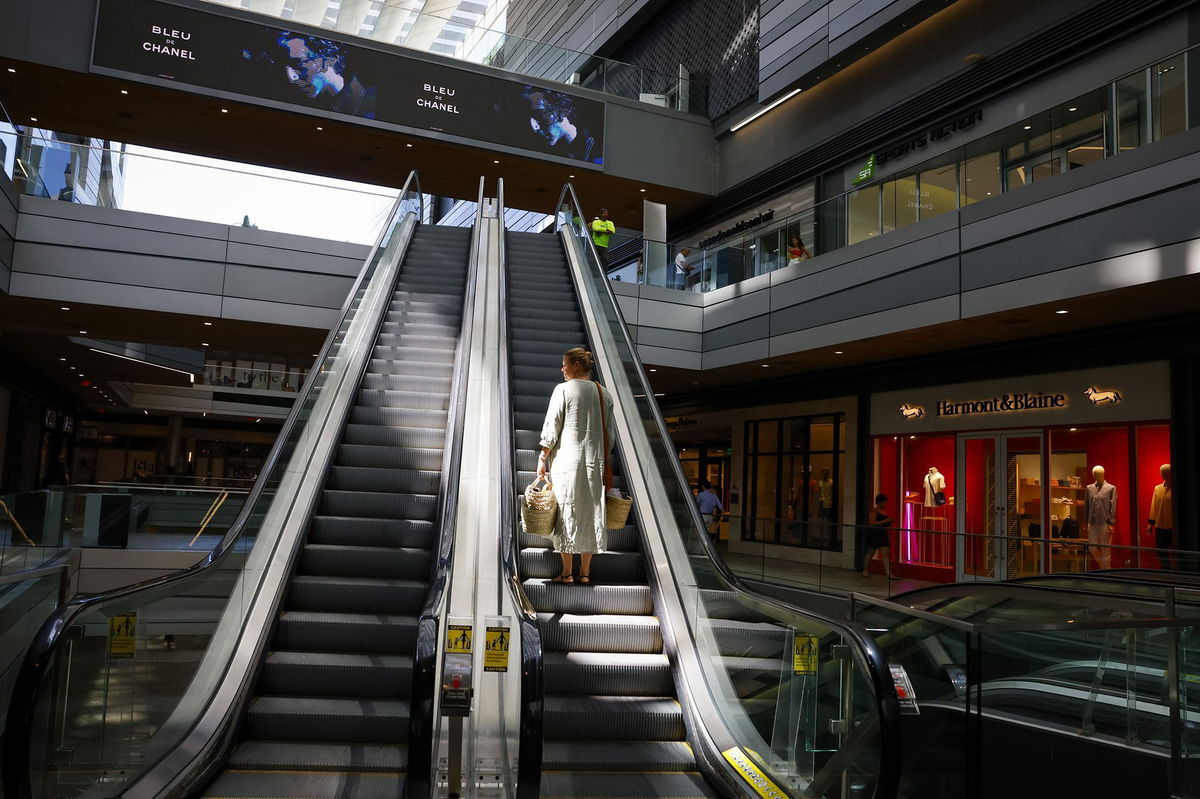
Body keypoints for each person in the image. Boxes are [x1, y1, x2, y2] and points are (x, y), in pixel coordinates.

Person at [537, 347, 615, 585]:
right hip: (594, 464)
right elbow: (609, 436)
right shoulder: (604, 394)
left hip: (566, 462)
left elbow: (553, 425)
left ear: (576, 365)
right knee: (590, 513)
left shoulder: (563, 390)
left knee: (565, 511)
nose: (562, 369)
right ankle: (585, 573)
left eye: (565, 364)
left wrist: (543, 456)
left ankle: (567, 572)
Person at [862, 494, 897, 580]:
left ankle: (889, 573)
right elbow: (872, 523)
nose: (885, 505)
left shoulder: (883, 511)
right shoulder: (874, 512)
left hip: (882, 533)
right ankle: (865, 570)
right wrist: (886, 520)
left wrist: (889, 522)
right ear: (879, 503)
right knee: (870, 553)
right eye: (883, 503)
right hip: (874, 534)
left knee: (885, 553)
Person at [1148, 464, 1175, 571]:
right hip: (1160, 526)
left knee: (1175, 553)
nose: (1162, 474)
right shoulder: (1157, 489)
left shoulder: (1175, 489)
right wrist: (1151, 523)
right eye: (1162, 472)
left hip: (1172, 527)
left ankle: (1177, 573)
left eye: (1165, 472)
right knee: (1161, 553)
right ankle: (1166, 572)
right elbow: (1153, 506)